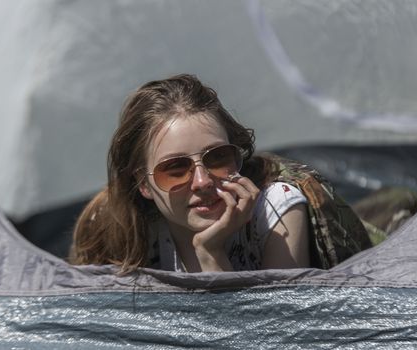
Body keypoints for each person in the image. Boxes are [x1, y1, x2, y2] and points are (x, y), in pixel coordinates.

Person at [69, 74, 313, 273]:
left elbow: (271, 332)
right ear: (144, 184)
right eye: (174, 169)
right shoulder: (118, 226)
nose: (202, 182)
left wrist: (210, 253)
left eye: (218, 157)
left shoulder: (276, 210)